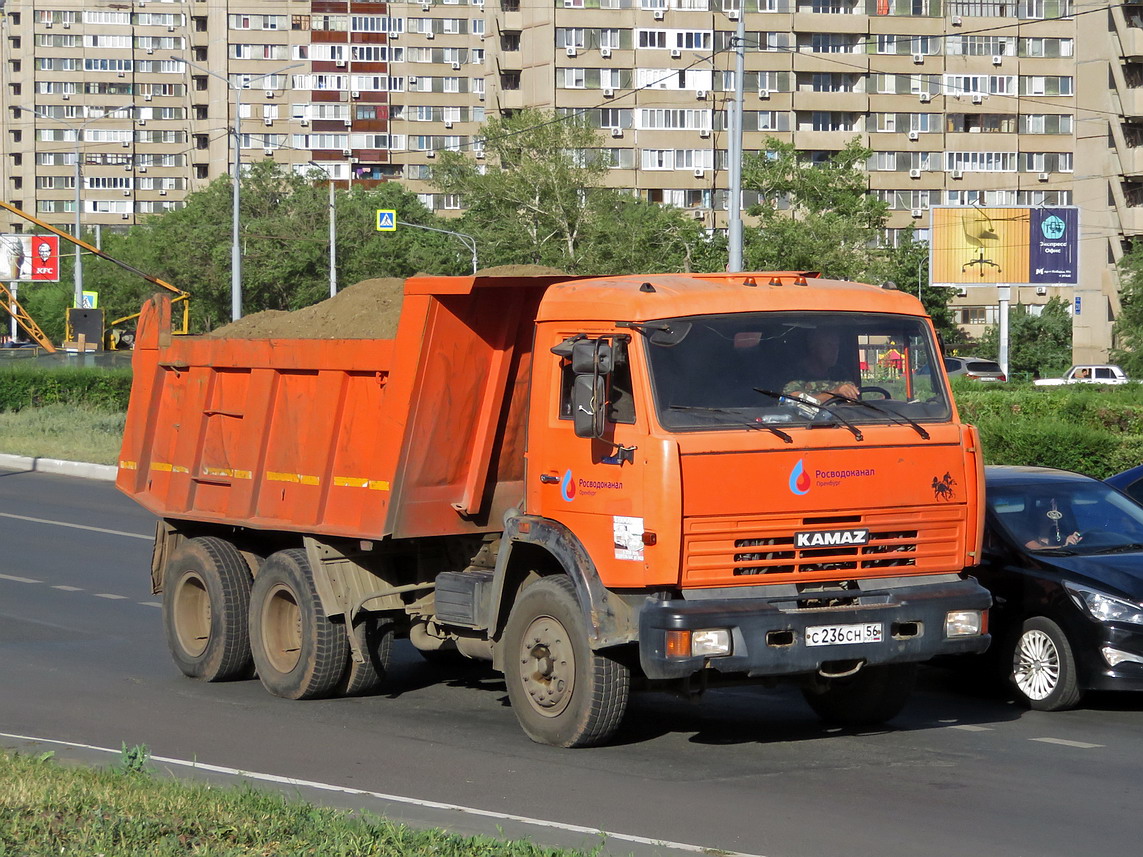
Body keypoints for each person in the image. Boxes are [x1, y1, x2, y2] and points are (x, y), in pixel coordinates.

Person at [782, 326, 860, 403]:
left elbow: (853, 399)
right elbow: (795, 401)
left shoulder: (840, 373)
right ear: (813, 347)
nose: (835, 350)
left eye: (837, 345)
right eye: (829, 345)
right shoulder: (795, 374)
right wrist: (835, 393)